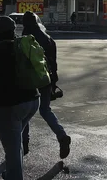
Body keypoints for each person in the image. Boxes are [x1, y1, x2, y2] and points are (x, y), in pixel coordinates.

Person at [0, 16, 40, 180]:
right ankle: (11, 179)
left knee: (12, 150)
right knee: (16, 144)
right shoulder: (20, 45)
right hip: (33, 99)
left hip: (11, 104)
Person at [20, 12, 70, 158]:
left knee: (24, 113)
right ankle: (62, 136)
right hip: (46, 79)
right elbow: (53, 63)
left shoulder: (25, 39)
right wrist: (53, 81)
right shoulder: (48, 38)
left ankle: (24, 144)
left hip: (30, 81)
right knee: (45, 110)